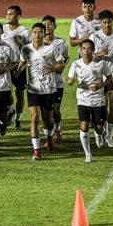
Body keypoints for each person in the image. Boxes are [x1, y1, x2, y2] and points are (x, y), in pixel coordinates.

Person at [16, 23, 65, 160]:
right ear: (31, 34)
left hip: (49, 89)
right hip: (33, 89)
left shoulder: (51, 49)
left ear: (44, 34)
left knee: (47, 119)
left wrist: (53, 69)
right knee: (34, 117)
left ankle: (49, 136)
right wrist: (18, 70)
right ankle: (36, 150)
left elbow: (61, 65)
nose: (37, 35)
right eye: (35, 32)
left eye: (40, 32)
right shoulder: (26, 49)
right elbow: (23, 62)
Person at [67, 39, 113, 163]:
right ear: (80, 50)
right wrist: (70, 81)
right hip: (83, 100)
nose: (86, 51)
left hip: (98, 100)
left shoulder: (101, 64)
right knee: (84, 126)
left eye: (89, 48)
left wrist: (100, 86)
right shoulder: (75, 64)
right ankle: (88, 154)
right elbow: (70, 79)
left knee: (99, 127)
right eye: (84, 48)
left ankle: (98, 135)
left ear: (93, 50)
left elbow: (109, 78)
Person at [89, 9, 113, 148]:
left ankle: (109, 137)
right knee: (99, 106)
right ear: (100, 23)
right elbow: (85, 54)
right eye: (104, 22)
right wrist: (98, 53)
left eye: (109, 21)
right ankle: (99, 134)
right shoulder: (94, 37)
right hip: (98, 75)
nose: (107, 24)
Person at [42, 15, 69, 144]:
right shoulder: (38, 43)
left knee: (56, 110)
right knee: (45, 112)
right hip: (42, 84)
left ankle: (57, 130)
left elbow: (65, 60)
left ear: (55, 26)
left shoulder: (61, 43)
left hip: (57, 82)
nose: (47, 26)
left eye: (50, 24)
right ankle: (49, 136)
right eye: (45, 24)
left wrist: (58, 68)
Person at [3, 5, 30, 129]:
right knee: (6, 92)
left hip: (20, 65)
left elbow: (31, 51)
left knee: (19, 93)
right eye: (7, 13)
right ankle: (10, 109)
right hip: (6, 66)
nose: (7, 16)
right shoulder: (2, 29)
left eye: (11, 14)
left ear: (18, 16)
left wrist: (21, 43)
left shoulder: (24, 31)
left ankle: (18, 119)